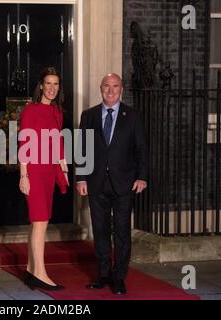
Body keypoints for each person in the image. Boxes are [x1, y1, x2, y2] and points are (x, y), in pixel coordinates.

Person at [76, 73, 149, 295]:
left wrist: (142, 177)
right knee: (99, 231)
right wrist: (81, 177)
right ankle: (103, 275)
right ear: (101, 88)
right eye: (107, 86)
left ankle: (119, 277)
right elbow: (82, 149)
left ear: (121, 89)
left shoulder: (133, 116)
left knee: (122, 232)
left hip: (125, 184)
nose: (110, 90)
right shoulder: (88, 116)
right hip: (96, 182)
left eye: (115, 86)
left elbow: (142, 150)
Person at [18, 67, 69, 291]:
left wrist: (63, 168)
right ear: (41, 85)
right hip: (35, 171)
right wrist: (23, 175)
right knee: (40, 222)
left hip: (49, 171)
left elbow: (58, 143)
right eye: (48, 83)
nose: (52, 88)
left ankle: (31, 269)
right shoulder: (30, 110)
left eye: (56, 84)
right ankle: (40, 273)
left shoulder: (57, 112)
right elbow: (24, 144)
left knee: (39, 222)